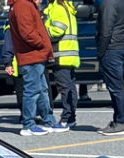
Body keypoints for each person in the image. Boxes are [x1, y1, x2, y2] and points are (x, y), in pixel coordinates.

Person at [10, 0, 59, 135]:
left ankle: (48, 121)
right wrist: (41, 43)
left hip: (35, 55)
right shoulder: (22, 5)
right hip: (31, 56)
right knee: (32, 90)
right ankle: (28, 124)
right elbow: (27, 32)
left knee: (42, 89)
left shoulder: (24, 4)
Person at [44, 0, 80, 130]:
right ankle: (71, 118)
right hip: (70, 55)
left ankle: (65, 120)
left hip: (61, 55)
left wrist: (43, 32)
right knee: (70, 88)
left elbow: (58, 29)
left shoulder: (58, 8)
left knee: (64, 88)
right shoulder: (68, 8)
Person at [96, 0, 124, 135]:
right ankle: (118, 121)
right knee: (116, 85)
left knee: (116, 87)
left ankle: (121, 122)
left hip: (111, 47)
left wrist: (101, 51)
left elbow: (105, 29)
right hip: (120, 45)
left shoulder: (109, 3)